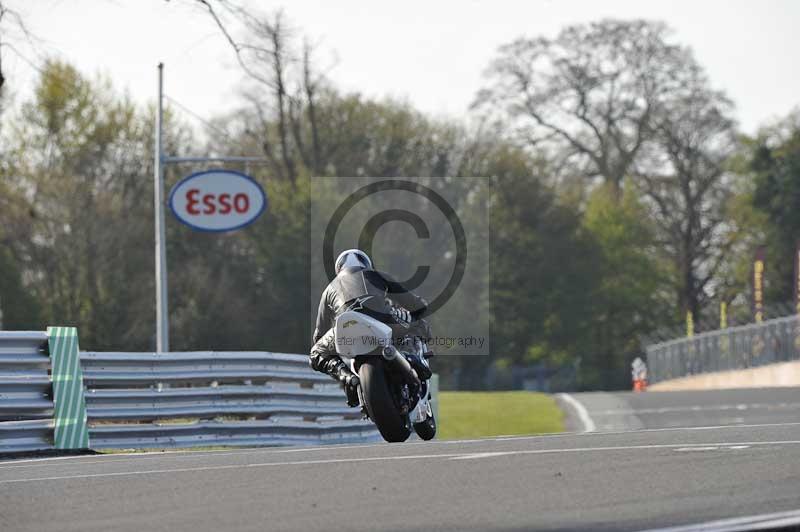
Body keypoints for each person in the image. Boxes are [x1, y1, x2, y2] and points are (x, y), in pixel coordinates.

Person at [310, 249, 431, 406]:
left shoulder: (329, 289)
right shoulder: (377, 274)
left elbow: (319, 335)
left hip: (347, 324)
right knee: (417, 323)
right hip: (381, 317)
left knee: (316, 352)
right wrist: (420, 311)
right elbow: (414, 304)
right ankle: (412, 356)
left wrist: (332, 349)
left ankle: (345, 376)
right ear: (366, 264)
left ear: (339, 269)